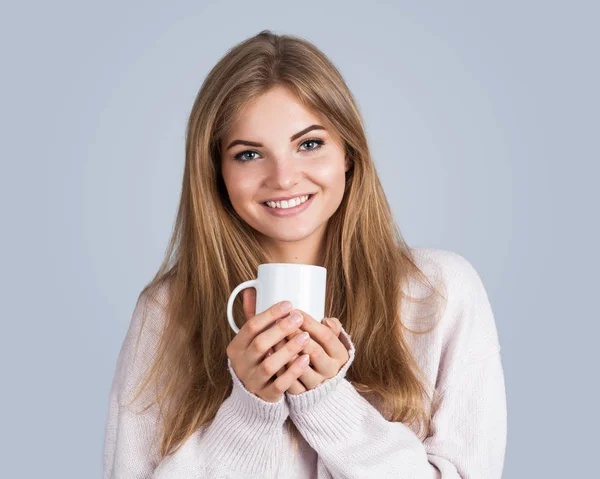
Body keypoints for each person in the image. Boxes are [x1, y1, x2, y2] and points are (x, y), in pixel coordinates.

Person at [103, 29, 507, 478]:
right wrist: (248, 414)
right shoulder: (167, 310)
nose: (284, 178)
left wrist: (331, 405)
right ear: (217, 173)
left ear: (349, 154)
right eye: (249, 154)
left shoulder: (439, 291)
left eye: (309, 144)